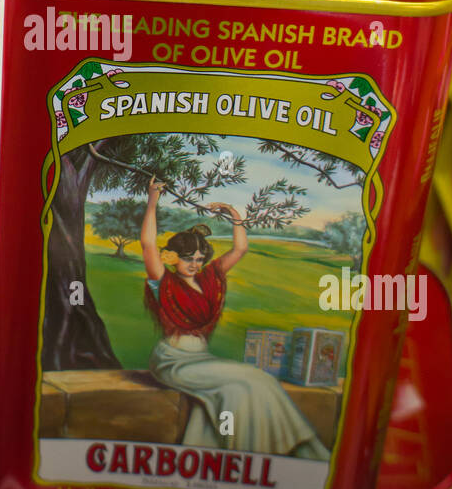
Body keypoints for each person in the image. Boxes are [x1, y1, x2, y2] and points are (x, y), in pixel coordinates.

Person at [141, 176, 329, 459]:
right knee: (247, 382)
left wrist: (235, 217)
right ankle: (267, 454)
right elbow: (147, 243)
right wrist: (153, 201)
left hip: (201, 359)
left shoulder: (209, 280)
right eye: (188, 258)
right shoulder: (163, 282)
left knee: (251, 385)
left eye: (200, 259)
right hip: (174, 360)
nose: (195, 264)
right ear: (172, 258)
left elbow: (240, 249)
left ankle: (279, 452)